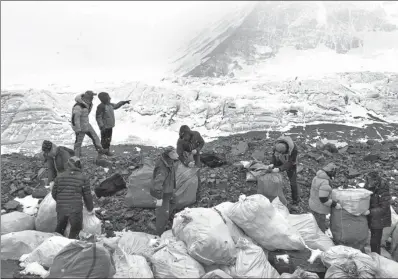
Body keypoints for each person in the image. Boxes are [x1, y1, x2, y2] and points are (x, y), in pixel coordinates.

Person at [51, 156, 94, 239]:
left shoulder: (59, 176)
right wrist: (90, 208)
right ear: (79, 165)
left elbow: (54, 193)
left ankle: (56, 245)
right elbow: (87, 196)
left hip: (61, 208)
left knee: (60, 228)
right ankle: (71, 247)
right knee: (75, 229)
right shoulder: (83, 177)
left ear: (68, 165)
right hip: (75, 210)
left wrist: (61, 201)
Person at [150, 146, 179, 236]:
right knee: (162, 213)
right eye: (173, 153)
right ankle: (159, 234)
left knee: (174, 202)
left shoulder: (169, 162)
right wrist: (159, 198)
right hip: (162, 193)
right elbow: (157, 184)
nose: (176, 154)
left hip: (168, 189)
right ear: (169, 155)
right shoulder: (162, 168)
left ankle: (164, 217)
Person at [308, 163, 342, 232]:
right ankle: (320, 241)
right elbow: (324, 199)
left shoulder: (317, 177)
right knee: (320, 229)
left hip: (313, 204)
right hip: (319, 209)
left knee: (315, 225)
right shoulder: (324, 182)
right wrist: (335, 204)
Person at [364, 171, 392, 254]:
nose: (368, 182)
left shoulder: (383, 191)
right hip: (371, 217)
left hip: (380, 219)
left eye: (370, 180)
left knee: (375, 242)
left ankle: (376, 258)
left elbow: (384, 208)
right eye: (367, 180)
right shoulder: (368, 186)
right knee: (372, 239)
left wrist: (369, 211)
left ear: (375, 181)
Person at [269, 135, 300, 209]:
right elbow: (273, 156)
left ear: (286, 151)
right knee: (271, 174)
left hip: (291, 162)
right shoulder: (276, 146)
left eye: (281, 153)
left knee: (293, 182)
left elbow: (291, 162)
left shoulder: (294, 149)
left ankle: (295, 201)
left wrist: (279, 169)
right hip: (279, 158)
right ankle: (273, 195)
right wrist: (272, 164)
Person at [71, 90, 105, 157]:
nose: (93, 98)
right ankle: (76, 158)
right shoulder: (78, 106)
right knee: (78, 143)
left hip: (86, 124)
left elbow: (85, 115)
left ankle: (101, 153)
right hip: (80, 127)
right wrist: (77, 129)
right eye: (92, 96)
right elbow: (74, 119)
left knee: (95, 138)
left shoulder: (88, 104)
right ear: (88, 97)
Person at [95, 92, 130, 156]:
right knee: (104, 140)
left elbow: (116, 106)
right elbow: (98, 117)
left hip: (109, 126)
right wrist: (101, 126)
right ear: (104, 98)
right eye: (108, 97)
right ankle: (101, 153)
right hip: (104, 127)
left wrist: (123, 102)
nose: (110, 98)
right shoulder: (101, 106)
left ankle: (106, 151)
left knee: (108, 139)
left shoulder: (109, 105)